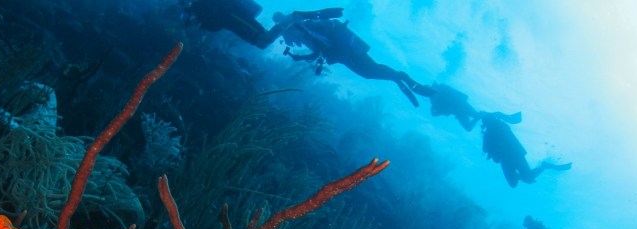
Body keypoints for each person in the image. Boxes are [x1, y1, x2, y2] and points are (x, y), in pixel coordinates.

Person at [277, 16, 424, 107]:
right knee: (370, 71)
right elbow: (319, 50)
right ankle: (397, 77)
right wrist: (300, 57)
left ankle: (399, 76)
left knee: (370, 70)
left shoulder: (305, 28)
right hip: (347, 53)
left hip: (348, 52)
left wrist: (300, 57)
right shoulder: (305, 28)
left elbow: (318, 49)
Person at [184, 0, 343, 49]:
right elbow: (212, 25)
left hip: (235, 19)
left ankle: (295, 16)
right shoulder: (197, 6)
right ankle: (295, 17)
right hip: (234, 22)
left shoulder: (198, 5)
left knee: (264, 40)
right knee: (263, 42)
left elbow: (213, 25)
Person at [480, 113, 571, 187]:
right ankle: (528, 174)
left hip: (515, 155)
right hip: (508, 158)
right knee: (514, 183)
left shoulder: (497, 128)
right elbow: (487, 148)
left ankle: (544, 166)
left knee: (526, 178)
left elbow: (487, 148)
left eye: (485, 122)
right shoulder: (493, 130)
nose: (484, 124)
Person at [414, 82, 521, 132]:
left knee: (474, 120)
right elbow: (434, 114)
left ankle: (498, 115)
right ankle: (491, 115)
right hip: (460, 109)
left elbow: (436, 113)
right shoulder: (435, 98)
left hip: (461, 106)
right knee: (469, 126)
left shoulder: (439, 93)